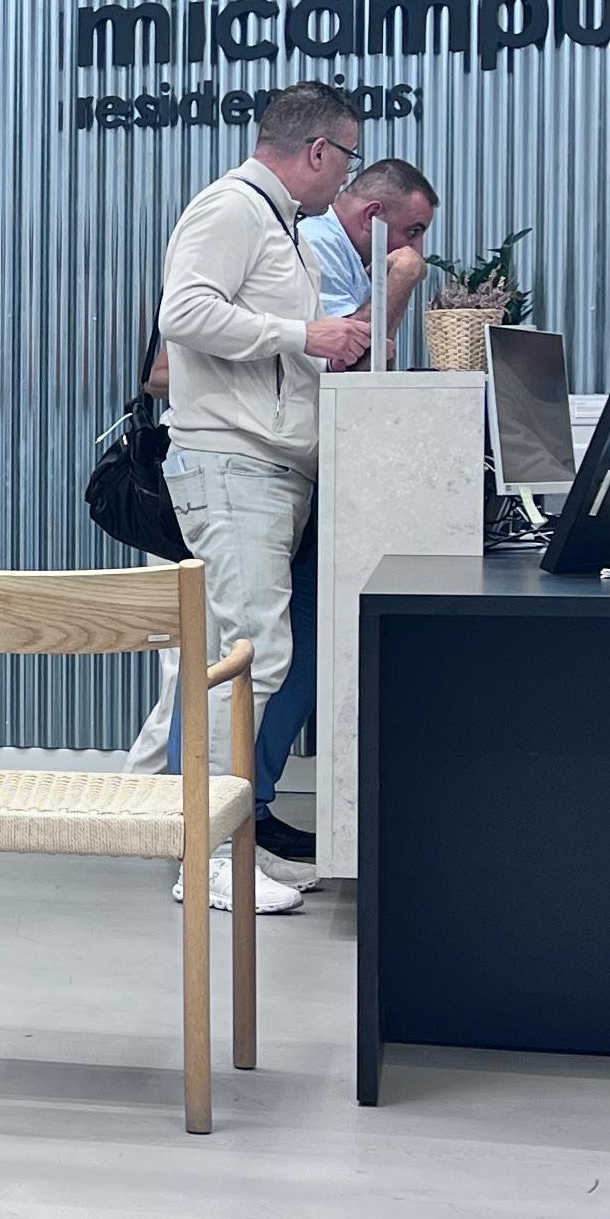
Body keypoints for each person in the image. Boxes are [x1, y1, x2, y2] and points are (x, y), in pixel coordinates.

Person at [151, 82, 375, 914]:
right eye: (348, 158)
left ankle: (231, 844)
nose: (347, 176)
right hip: (233, 465)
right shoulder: (232, 208)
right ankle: (204, 856)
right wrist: (302, 334)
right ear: (318, 151)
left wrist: (325, 349)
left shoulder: (282, 225)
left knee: (252, 657)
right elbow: (184, 313)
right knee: (247, 658)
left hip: (267, 469)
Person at [251, 155, 439, 860]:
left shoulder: (343, 256)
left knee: (294, 645)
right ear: (375, 216)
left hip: (310, 471)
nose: (416, 248)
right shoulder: (318, 247)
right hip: (268, 465)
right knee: (259, 648)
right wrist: (398, 281)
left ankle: (248, 803)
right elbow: (346, 361)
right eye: (412, 231)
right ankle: (224, 814)